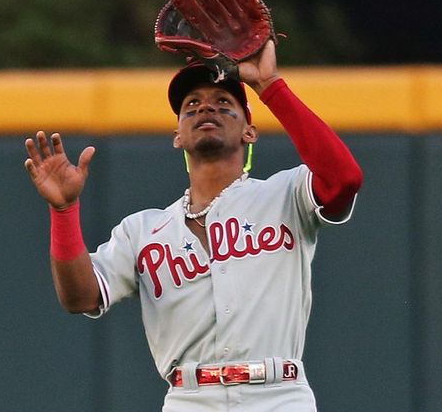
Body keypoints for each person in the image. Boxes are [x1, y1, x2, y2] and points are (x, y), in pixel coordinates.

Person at [23, 40, 363, 411]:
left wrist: (270, 86)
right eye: (192, 105)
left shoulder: (286, 194)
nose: (206, 107)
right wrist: (65, 211)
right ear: (178, 136)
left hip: (278, 394)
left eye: (224, 103)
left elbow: (344, 179)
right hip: (190, 398)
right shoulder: (141, 231)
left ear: (249, 131)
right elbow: (80, 297)